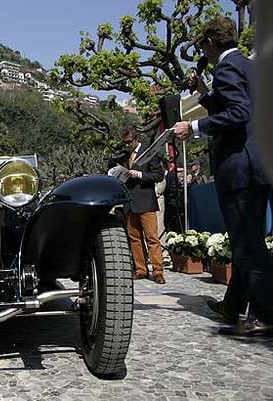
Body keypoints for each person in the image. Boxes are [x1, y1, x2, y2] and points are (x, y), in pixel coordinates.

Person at [173, 16, 272, 336]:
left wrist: (194, 127)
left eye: (203, 45)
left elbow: (239, 113)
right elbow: (235, 104)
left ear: (211, 44)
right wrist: (204, 90)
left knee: (248, 246)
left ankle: (264, 313)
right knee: (248, 240)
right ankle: (233, 306)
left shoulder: (227, 68)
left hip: (239, 168)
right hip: (257, 164)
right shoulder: (249, 67)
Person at [119, 126, 165, 284]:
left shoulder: (148, 152)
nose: (127, 145)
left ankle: (158, 271)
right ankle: (141, 269)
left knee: (152, 238)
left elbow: (158, 175)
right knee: (134, 239)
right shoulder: (124, 155)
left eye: (129, 142)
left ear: (136, 138)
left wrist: (139, 175)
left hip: (146, 201)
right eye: (124, 143)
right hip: (130, 202)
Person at [155, 159, 172, 267]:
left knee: (160, 227)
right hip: (148, 203)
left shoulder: (160, 175)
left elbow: (159, 189)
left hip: (157, 202)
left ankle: (165, 254)